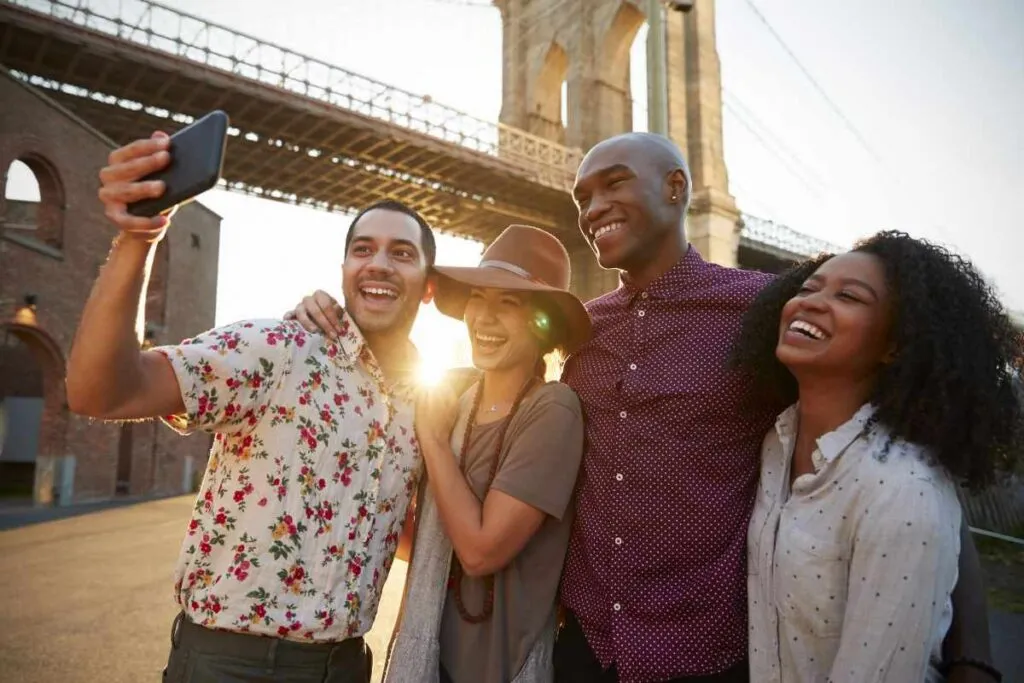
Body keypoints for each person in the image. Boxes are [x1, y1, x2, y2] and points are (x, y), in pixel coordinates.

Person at [288, 133, 996, 683]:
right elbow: (481, 388)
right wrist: (329, 321)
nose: (593, 207)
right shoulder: (583, 333)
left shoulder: (763, 310)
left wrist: (972, 657)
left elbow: (913, 468)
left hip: (709, 656)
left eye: (613, 184)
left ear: (677, 186)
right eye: (582, 198)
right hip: (584, 654)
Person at [65, 131, 436, 683]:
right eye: (363, 249)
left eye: (401, 254)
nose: (379, 263)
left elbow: (402, 532)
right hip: (228, 666)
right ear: (343, 272)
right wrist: (138, 239)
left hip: (346, 667)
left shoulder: (425, 406)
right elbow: (103, 391)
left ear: (427, 287)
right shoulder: (277, 350)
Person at [732, 232, 1021, 683]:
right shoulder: (777, 442)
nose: (810, 302)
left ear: (896, 345)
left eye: (848, 296)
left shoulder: (904, 492)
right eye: (808, 288)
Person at [382, 224, 589, 683]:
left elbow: (479, 552)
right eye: (479, 297)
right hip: (431, 658)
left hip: (501, 669)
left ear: (544, 324)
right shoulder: (454, 402)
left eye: (509, 303)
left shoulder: (553, 410)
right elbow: (419, 543)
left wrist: (434, 445)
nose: (484, 318)